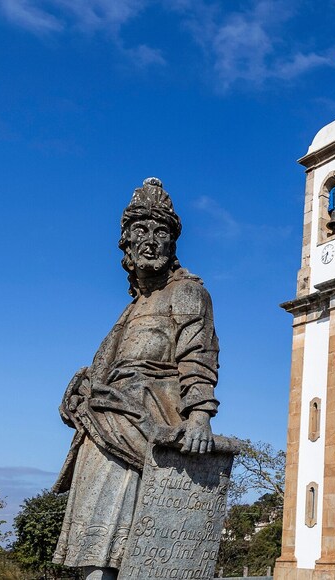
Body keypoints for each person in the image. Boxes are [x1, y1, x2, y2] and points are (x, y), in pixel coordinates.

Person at [53, 177, 220, 580]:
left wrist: (199, 415)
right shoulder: (132, 309)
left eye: (161, 232)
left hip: (145, 423)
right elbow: (106, 369)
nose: (150, 240)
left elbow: (198, 354)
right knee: (92, 552)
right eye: (140, 231)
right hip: (103, 423)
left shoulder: (187, 293)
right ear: (126, 244)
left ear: (172, 244)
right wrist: (79, 391)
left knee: (121, 547)